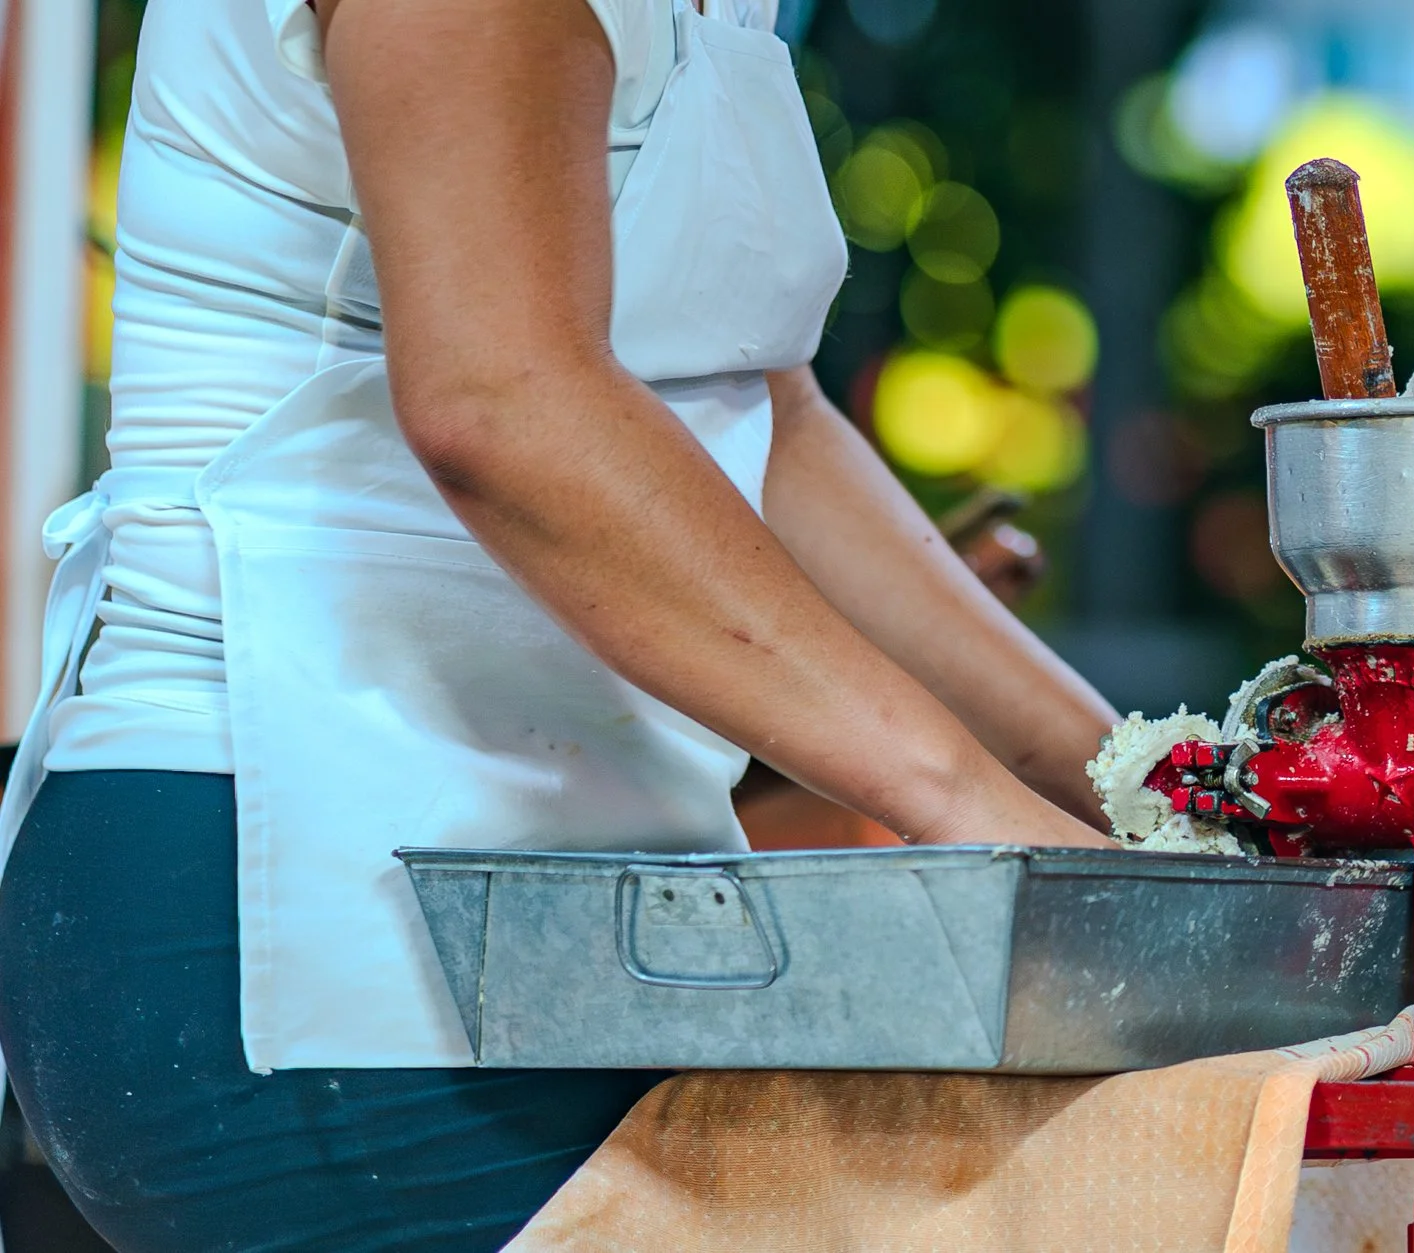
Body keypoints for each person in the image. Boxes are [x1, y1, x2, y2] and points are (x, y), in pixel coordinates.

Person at [0, 0, 1121, 1247]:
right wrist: (970, 808)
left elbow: (756, 417)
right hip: (288, 893)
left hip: (574, 920)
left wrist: (1134, 789)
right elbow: (501, 400)